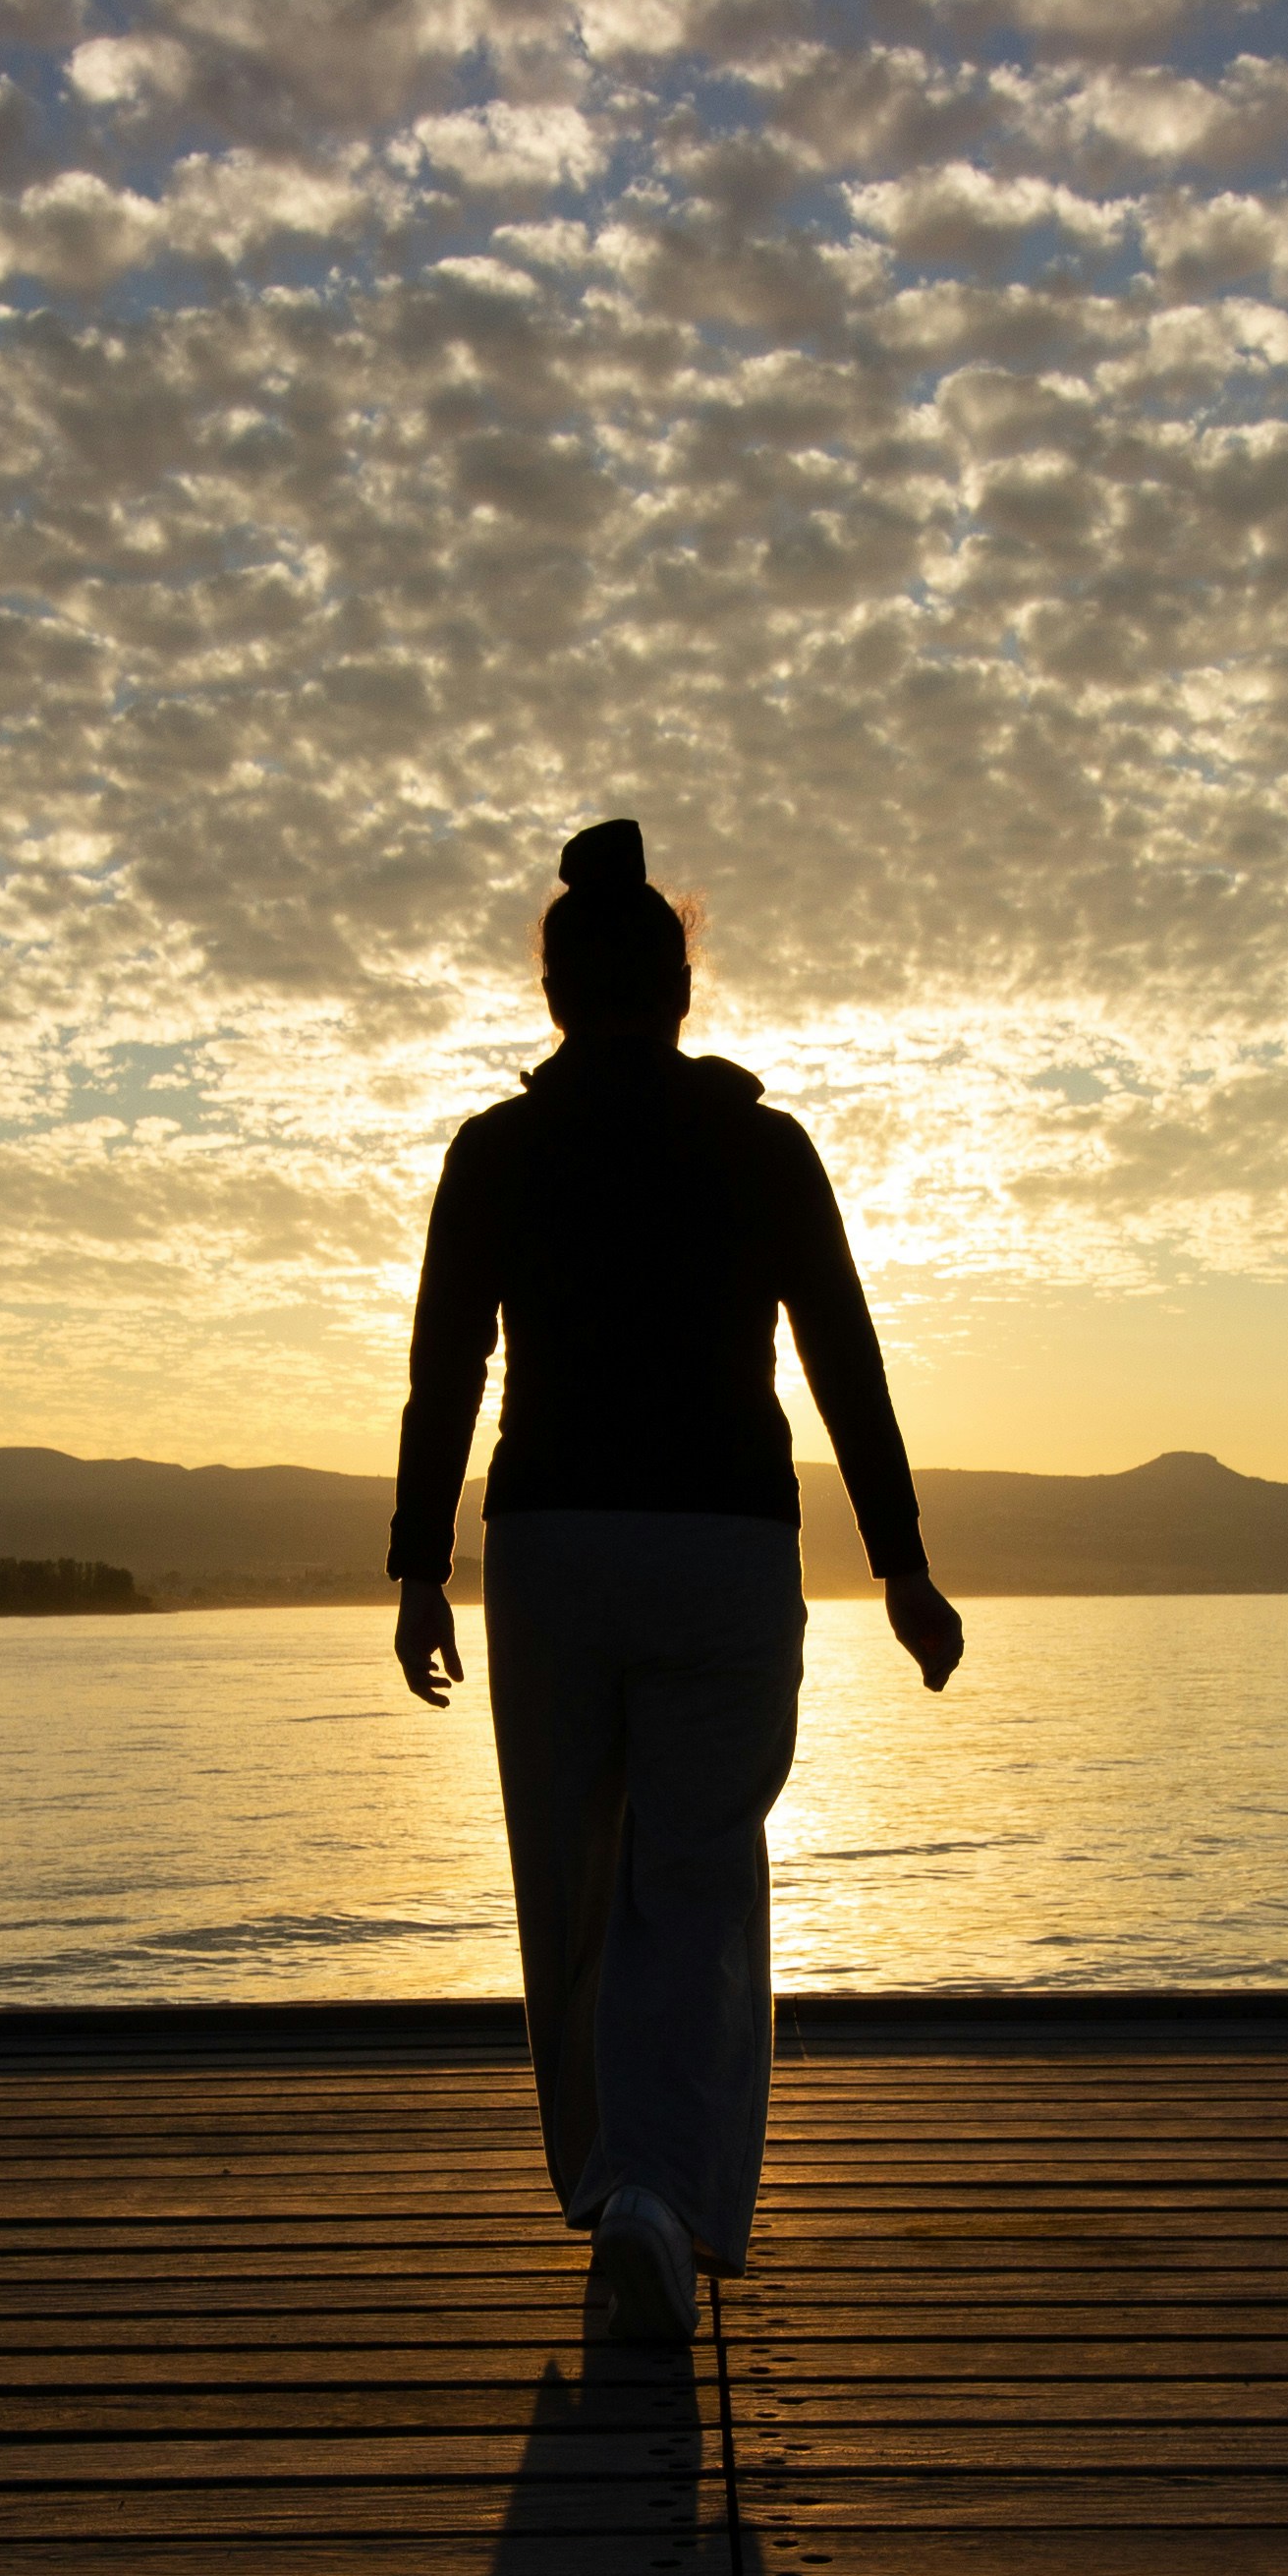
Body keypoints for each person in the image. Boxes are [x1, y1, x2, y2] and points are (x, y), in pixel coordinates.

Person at [388, 819, 966, 2349]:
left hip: (559, 1545)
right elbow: (846, 1360)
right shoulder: (759, 1148)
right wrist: (900, 1567)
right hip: (724, 1547)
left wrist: (416, 1572)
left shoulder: (498, 1155)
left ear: (558, 993)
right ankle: (660, 2205)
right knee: (698, 1881)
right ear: (680, 991)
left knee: (574, 1888)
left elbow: (447, 1366)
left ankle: (616, 2198)